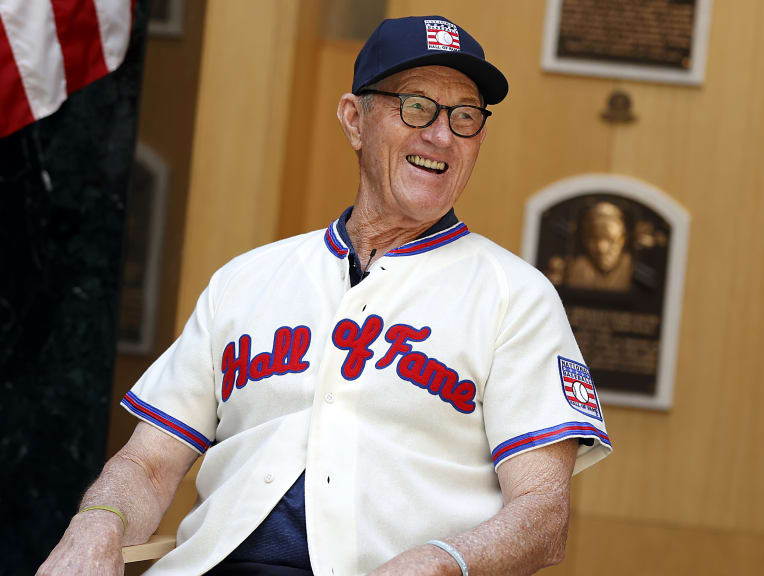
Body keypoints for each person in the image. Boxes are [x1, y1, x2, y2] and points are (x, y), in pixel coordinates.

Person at [38, 15, 611, 576]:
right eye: (416, 107)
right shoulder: (247, 279)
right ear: (354, 120)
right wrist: (97, 523)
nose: (441, 136)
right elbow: (148, 464)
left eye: (464, 117)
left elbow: (542, 514)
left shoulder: (517, 298)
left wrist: (445, 562)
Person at [565, 201, 633, 292]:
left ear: (623, 239)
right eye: (592, 239)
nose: (601, 249)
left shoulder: (633, 269)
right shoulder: (576, 269)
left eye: (610, 240)